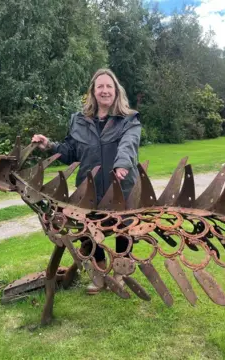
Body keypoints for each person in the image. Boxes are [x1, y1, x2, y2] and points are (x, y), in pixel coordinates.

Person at [32, 68, 141, 294]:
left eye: (108, 86)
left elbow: (128, 145)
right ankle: (99, 271)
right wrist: (49, 146)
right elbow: (71, 151)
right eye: (99, 86)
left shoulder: (128, 120)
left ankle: (121, 272)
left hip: (121, 185)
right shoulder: (79, 121)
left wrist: (121, 164)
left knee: (123, 229)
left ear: (116, 90)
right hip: (88, 188)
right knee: (87, 230)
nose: (104, 90)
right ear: (93, 91)